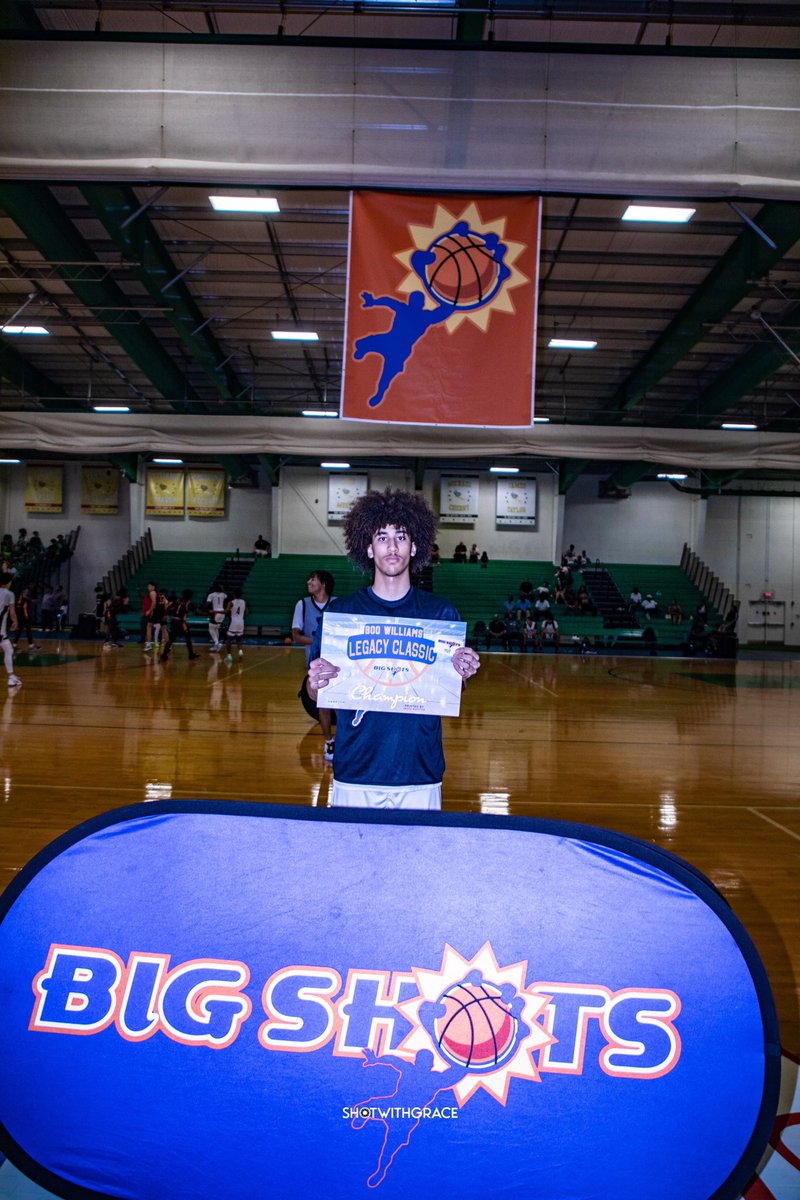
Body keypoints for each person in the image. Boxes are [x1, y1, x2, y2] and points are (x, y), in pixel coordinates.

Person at [308, 488, 479, 810]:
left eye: (400, 537)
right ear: (369, 548)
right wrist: (314, 683)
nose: (391, 546)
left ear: (414, 547)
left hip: (420, 770)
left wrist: (463, 671)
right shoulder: (341, 615)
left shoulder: (441, 614)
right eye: (381, 537)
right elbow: (317, 695)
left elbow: (453, 687)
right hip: (356, 768)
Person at [292, 570, 337, 760]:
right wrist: (317, 641)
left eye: (313, 579)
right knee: (323, 706)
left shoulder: (337, 604)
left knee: (341, 706)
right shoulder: (302, 604)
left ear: (323, 583)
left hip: (337, 663)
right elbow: (296, 635)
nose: (309, 581)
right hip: (315, 666)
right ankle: (329, 743)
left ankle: (344, 741)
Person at [161, 589, 199, 662]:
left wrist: (166, 614)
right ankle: (191, 655)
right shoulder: (188, 603)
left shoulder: (177, 601)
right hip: (181, 622)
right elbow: (197, 611)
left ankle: (163, 655)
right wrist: (207, 613)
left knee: (171, 639)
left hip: (174, 621)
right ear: (190, 596)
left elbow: (168, 609)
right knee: (188, 638)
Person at [1, 573, 22, 689]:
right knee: (8, 650)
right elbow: (12, 611)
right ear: (9, 582)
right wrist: (15, 622)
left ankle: (12, 676)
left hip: (1, 632)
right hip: (0, 631)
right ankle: (11, 677)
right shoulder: (9, 594)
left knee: (8, 649)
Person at [223, 588, 247, 663]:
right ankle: (240, 651)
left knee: (229, 639)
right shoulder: (243, 602)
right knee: (239, 639)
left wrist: (215, 611)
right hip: (241, 622)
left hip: (233, 622)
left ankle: (229, 656)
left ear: (234, 594)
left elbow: (226, 611)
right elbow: (247, 612)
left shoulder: (231, 602)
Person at [206, 583, 227, 653]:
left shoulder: (211, 595)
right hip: (222, 613)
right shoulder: (223, 594)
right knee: (216, 628)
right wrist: (222, 588)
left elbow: (207, 604)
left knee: (211, 628)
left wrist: (203, 609)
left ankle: (217, 643)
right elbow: (226, 595)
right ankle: (216, 645)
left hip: (216, 613)